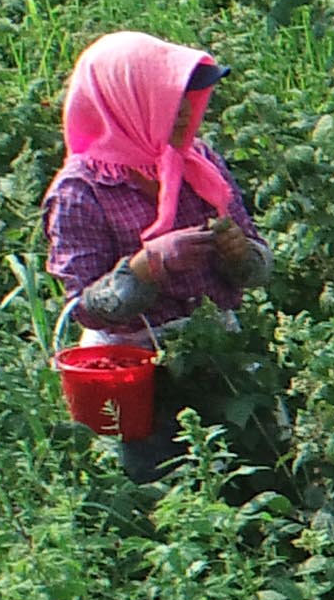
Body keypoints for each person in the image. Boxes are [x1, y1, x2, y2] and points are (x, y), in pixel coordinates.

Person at [44, 32, 272, 483]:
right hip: (134, 373)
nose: (186, 113)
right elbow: (84, 308)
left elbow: (257, 267)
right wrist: (144, 268)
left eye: (191, 100)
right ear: (128, 103)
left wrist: (241, 254)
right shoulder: (82, 191)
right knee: (160, 490)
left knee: (256, 473)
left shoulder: (199, 162)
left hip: (217, 351)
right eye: (172, 101)